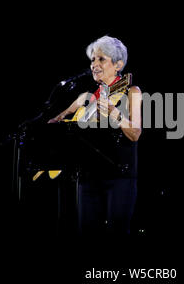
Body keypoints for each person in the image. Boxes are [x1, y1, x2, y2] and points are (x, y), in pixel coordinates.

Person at [48, 36, 142, 236]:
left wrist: (114, 113)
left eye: (101, 59)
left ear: (118, 65)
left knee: (117, 232)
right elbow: (56, 121)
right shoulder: (85, 98)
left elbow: (135, 133)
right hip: (88, 176)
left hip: (119, 177)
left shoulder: (131, 91)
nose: (94, 65)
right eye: (92, 60)